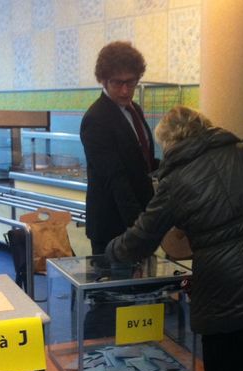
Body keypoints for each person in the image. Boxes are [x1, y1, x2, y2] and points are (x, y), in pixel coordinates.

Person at [106, 106, 243, 371]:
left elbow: (142, 237)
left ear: (169, 142)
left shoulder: (174, 182)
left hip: (222, 297)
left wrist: (110, 252)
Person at [80, 41, 157, 255]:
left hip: (139, 217)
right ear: (103, 80)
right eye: (117, 83)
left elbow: (143, 160)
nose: (125, 90)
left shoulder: (135, 110)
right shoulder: (96, 119)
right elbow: (116, 178)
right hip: (113, 224)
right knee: (114, 287)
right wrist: (139, 227)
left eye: (131, 83)